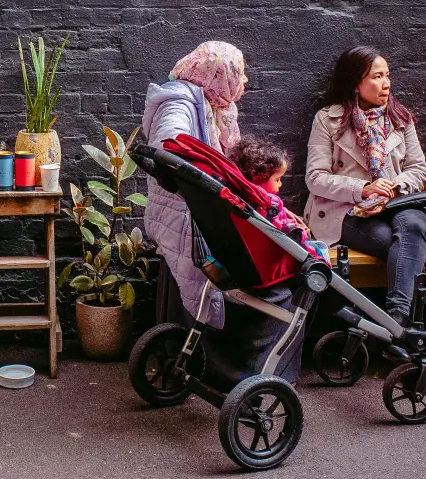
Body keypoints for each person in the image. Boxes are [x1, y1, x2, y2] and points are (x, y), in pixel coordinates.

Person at [143, 41, 301, 388]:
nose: (244, 81)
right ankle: (248, 372)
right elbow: (169, 144)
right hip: (192, 213)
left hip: (199, 210)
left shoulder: (214, 107)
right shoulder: (179, 102)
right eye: (239, 73)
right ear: (217, 75)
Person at [305, 46, 426, 326]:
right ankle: (403, 324)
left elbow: (418, 169)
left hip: (396, 202)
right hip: (348, 210)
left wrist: (394, 187)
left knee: (415, 226)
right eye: (376, 76)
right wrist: (364, 189)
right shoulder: (328, 119)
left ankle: (395, 318)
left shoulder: (400, 118)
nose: (386, 83)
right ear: (355, 83)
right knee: (405, 244)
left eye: (387, 75)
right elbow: (316, 177)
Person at [227, 135, 330, 263]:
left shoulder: (243, 198)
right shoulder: (269, 204)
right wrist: (302, 231)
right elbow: (286, 236)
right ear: (259, 177)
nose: (280, 184)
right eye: (277, 179)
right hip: (283, 258)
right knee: (320, 249)